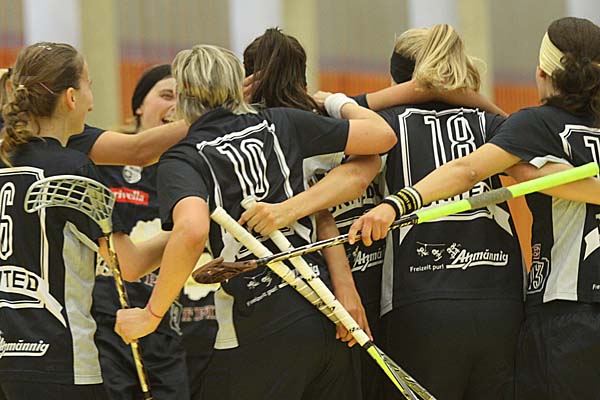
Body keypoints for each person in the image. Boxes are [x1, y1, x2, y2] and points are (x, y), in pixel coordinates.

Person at [114, 44, 397, 400]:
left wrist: (151, 315)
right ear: (238, 86)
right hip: (327, 317)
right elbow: (383, 136)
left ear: (183, 97)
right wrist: (337, 102)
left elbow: (192, 230)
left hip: (262, 326)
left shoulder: (182, 159)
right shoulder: (281, 122)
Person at [350, 17, 600, 400]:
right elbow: (538, 175)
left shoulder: (534, 126)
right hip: (506, 304)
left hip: (561, 310)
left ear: (542, 73)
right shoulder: (506, 126)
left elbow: (468, 170)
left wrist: (397, 202)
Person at [0, 42, 168, 400]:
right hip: (59, 359)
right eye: (90, 85)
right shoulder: (72, 169)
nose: (93, 102)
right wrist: (185, 233)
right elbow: (130, 265)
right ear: (72, 97)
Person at [92, 64, 197, 400]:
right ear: (139, 104)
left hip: (166, 318)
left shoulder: (189, 166)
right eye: (166, 95)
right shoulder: (102, 158)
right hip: (104, 317)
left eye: (184, 100)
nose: (175, 106)